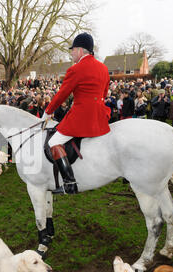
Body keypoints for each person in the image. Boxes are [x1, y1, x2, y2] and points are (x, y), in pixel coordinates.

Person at [42, 33, 111, 195]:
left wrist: (47, 113)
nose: (71, 53)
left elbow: (62, 95)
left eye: (72, 50)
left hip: (82, 116)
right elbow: (105, 92)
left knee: (54, 142)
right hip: (100, 115)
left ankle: (69, 183)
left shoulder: (76, 69)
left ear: (80, 50)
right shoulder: (104, 68)